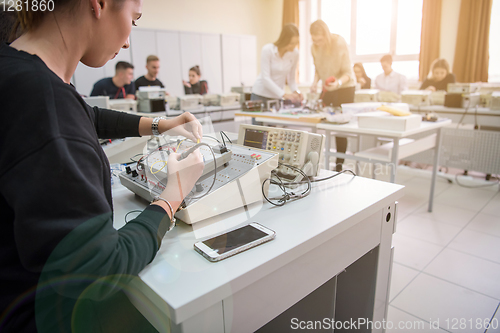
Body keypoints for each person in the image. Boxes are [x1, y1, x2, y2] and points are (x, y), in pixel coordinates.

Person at [0, 0, 205, 332]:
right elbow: (101, 269)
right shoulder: (44, 107)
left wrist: (160, 124)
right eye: (133, 21)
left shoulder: (18, 69)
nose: (126, 42)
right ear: (99, 4)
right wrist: (172, 195)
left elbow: (86, 115)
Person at [309, 19, 356, 172]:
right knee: (321, 121)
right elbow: (318, 68)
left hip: (344, 87)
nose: (318, 43)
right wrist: (315, 82)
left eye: (320, 39)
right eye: (314, 40)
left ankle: (338, 166)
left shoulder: (339, 43)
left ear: (326, 35)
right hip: (328, 88)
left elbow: (348, 73)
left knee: (340, 129)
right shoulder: (314, 48)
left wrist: (338, 84)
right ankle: (317, 162)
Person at [251, 23, 302, 107]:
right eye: (291, 43)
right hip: (260, 95)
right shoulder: (268, 50)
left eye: (296, 43)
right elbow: (265, 78)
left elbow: (291, 79)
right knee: (259, 120)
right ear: (284, 40)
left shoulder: (295, 53)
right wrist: (284, 95)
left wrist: (296, 92)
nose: (294, 46)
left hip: (277, 97)